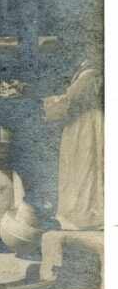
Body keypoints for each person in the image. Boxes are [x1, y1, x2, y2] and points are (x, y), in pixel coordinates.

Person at [44, 57, 103, 230]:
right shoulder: (84, 68)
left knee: (85, 168)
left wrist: (46, 104)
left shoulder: (91, 73)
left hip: (86, 123)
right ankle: (78, 213)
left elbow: (71, 99)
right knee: (78, 167)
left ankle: (84, 215)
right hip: (79, 122)